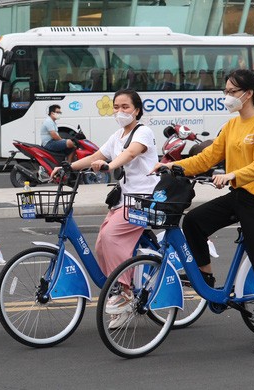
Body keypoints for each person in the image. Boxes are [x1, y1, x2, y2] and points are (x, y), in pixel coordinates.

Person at [153, 69, 254, 354]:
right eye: (225, 91)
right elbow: (208, 157)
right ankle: (206, 277)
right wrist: (172, 166)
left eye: (231, 91)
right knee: (193, 222)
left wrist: (231, 176)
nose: (227, 96)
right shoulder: (231, 126)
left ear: (247, 93)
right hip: (239, 195)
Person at [52, 89, 159, 329]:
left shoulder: (143, 132)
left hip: (142, 200)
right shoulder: (118, 135)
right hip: (124, 200)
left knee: (112, 237)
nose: (120, 111)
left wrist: (109, 165)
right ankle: (118, 290)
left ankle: (125, 291)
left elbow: (130, 154)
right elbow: (95, 155)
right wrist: (68, 168)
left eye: (125, 107)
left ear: (137, 110)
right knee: (101, 243)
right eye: (116, 107)